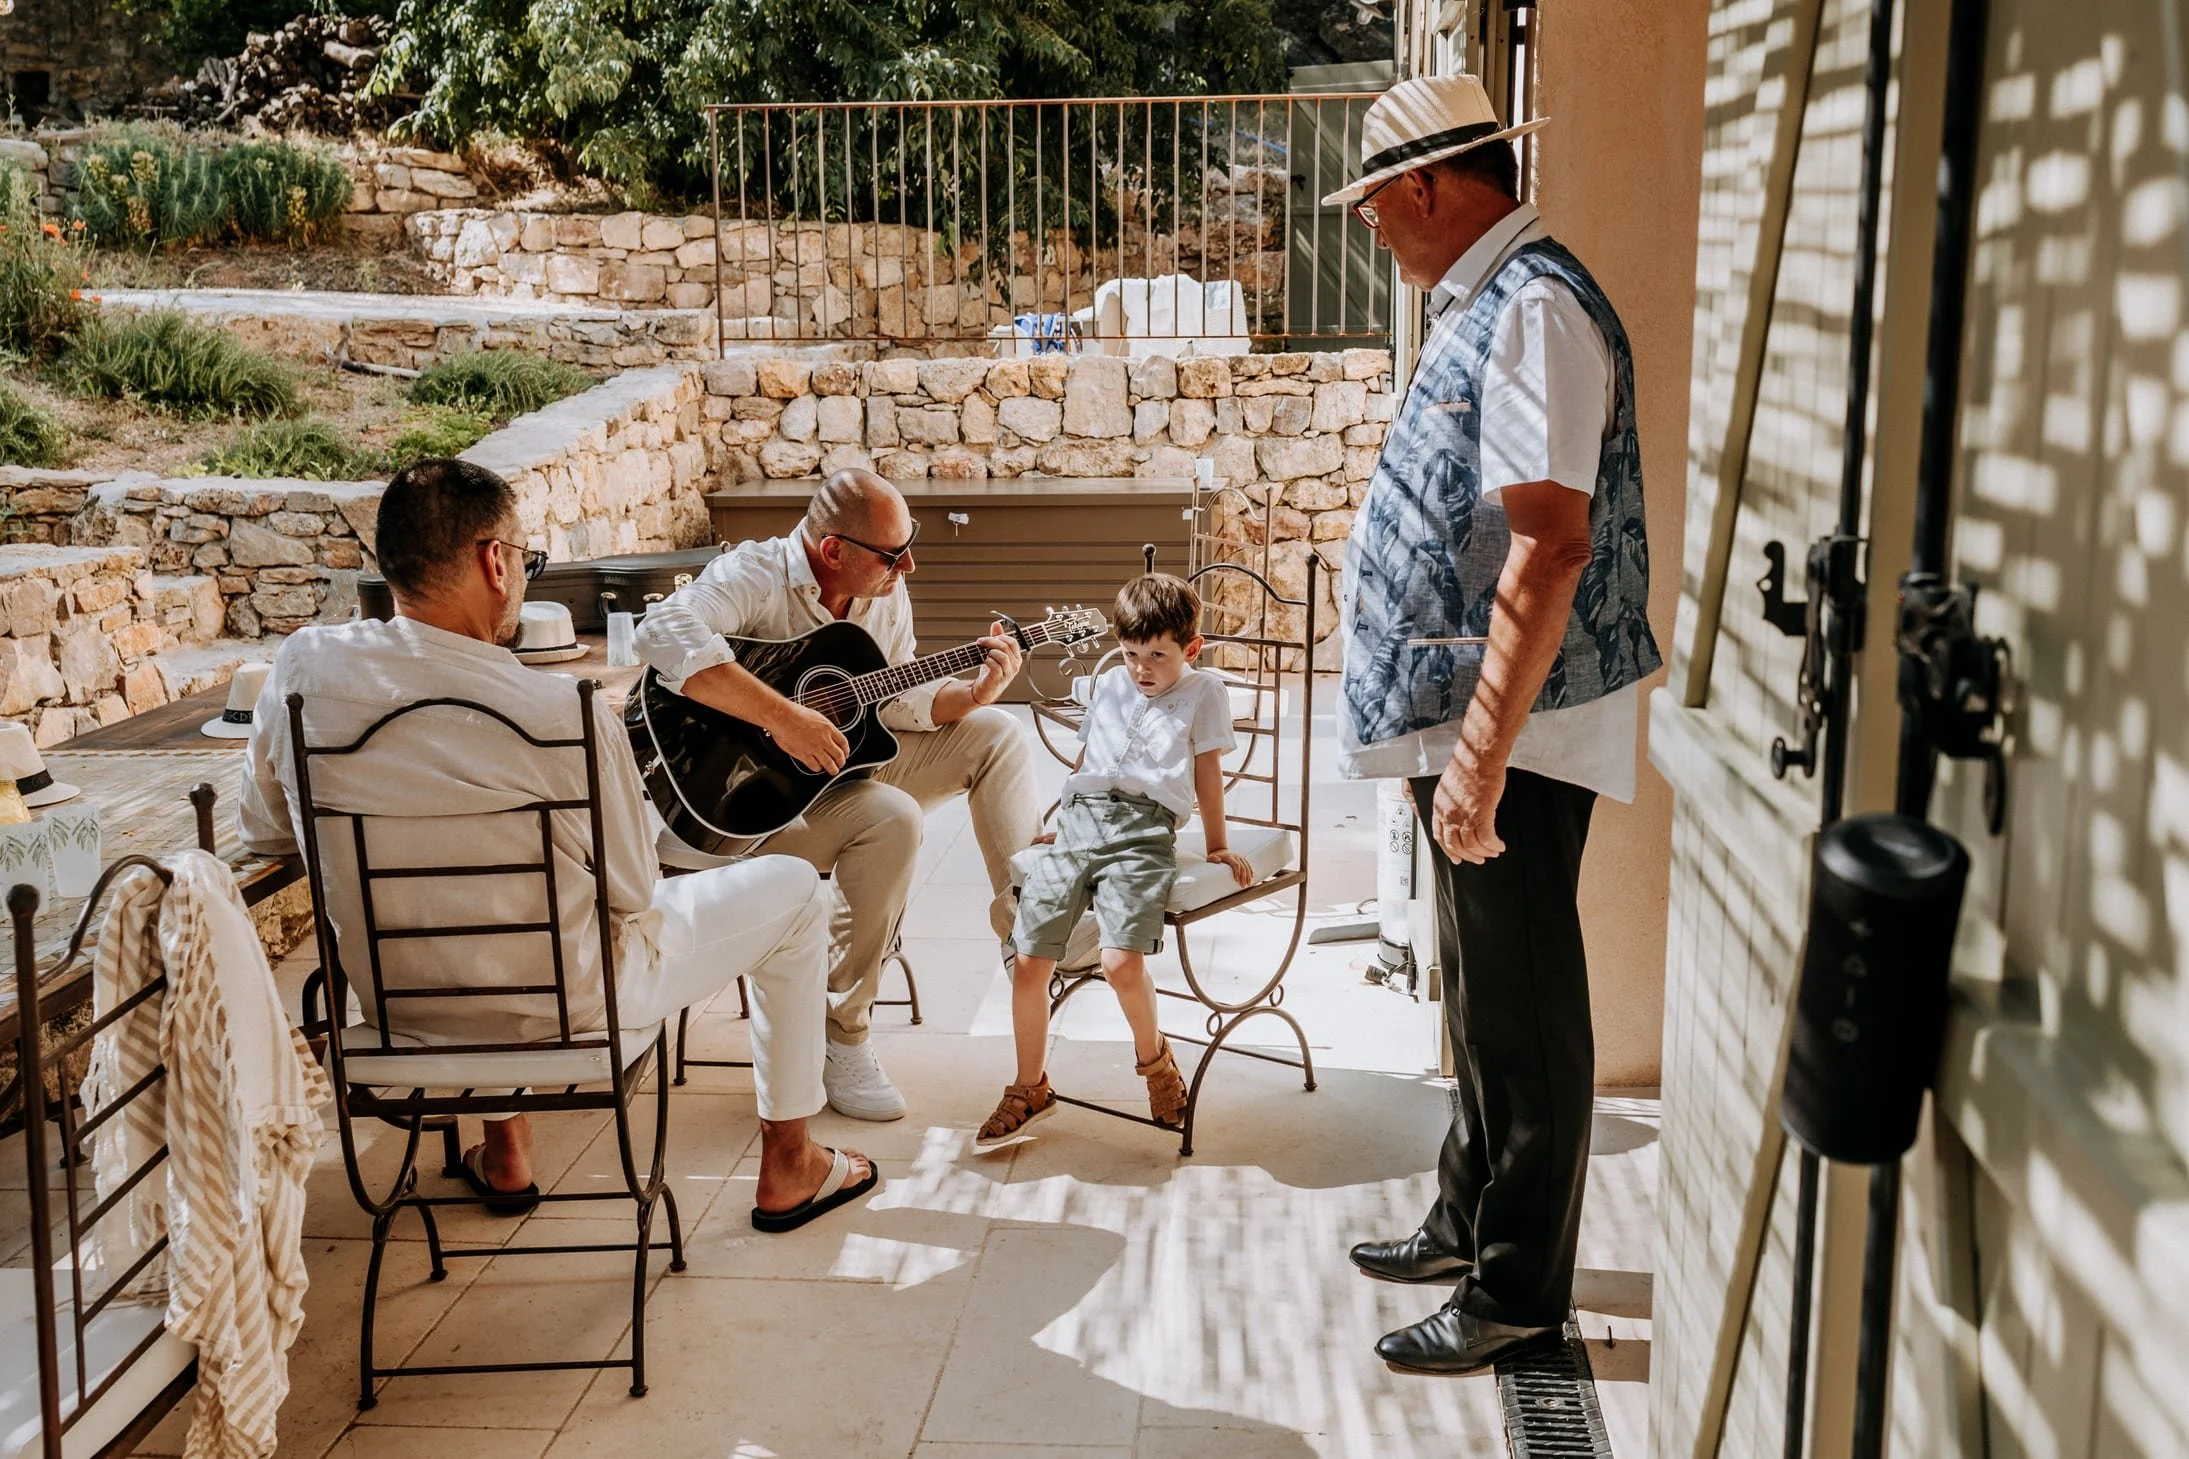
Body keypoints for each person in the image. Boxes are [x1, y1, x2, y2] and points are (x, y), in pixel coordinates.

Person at [240, 458, 877, 1233]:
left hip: (398, 1009)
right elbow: (635, 889)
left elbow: (267, 831)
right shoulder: (557, 706)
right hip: (576, 1010)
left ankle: (507, 1153)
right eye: (527, 561)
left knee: (488, 896)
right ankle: (791, 1164)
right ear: (494, 560)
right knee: (796, 894)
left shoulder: (301, 669)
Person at [1325, 75, 1662, 1373]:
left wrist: (1474, 763)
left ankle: (1521, 1282)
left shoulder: (1533, 310)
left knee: (1524, 1004)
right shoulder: (1490, 299)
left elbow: (1550, 541)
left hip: (1513, 729)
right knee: (1478, 993)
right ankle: (1469, 1213)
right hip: (1478, 724)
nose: (1366, 227)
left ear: (1425, 184)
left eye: (1371, 203)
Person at [636, 467, 1043, 1123]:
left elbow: (898, 700)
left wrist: (972, 692)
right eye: (893, 553)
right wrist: (781, 717)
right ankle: (843, 1033)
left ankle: (1034, 927)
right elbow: (661, 633)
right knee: (893, 819)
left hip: (835, 769)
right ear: (833, 551)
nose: (907, 565)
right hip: (740, 804)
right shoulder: (754, 575)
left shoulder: (882, 590)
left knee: (995, 731)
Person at [974, 574, 1252, 1151]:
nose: (1142, 668)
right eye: (1130, 654)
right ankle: (1030, 1087)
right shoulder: (1113, 684)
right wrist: (1065, 814)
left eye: (1158, 655)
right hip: (1080, 824)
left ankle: (1155, 1064)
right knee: (1029, 961)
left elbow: (1206, 770)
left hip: (1143, 833)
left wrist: (1218, 842)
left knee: (1121, 960)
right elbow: (1090, 754)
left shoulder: (1203, 691)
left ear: (1190, 649)